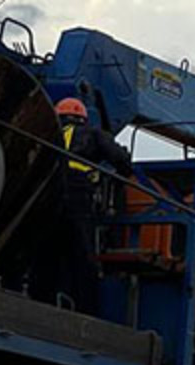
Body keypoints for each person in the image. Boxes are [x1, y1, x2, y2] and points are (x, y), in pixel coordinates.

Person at [49, 97, 134, 313]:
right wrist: (125, 169)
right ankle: (86, 309)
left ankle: (42, 299)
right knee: (82, 252)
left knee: (48, 251)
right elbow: (120, 159)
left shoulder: (50, 133)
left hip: (49, 195)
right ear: (83, 119)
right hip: (79, 195)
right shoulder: (93, 134)